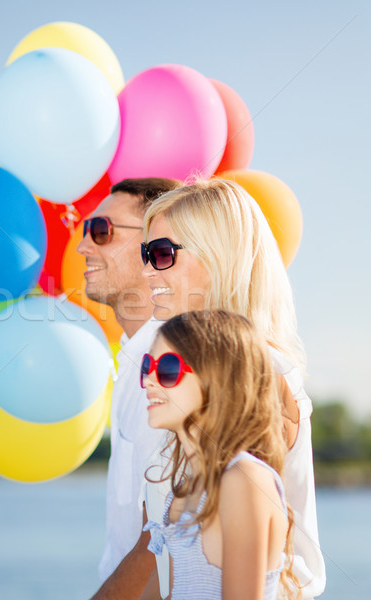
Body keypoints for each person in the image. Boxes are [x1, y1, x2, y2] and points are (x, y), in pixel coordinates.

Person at [139, 179, 324, 599]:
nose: (148, 270)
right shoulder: (191, 375)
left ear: (218, 257)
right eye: (146, 254)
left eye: (163, 253)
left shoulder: (263, 376)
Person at [141, 309, 299, 600]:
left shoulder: (244, 480)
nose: (149, 380)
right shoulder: (184, 493)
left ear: (218, 381)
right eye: (146, 365)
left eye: (167, 369)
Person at [77, 178, 183, 594]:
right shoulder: (133, 359)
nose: (85, 247)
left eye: (101, 231)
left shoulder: (169, 365)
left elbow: (162, 537)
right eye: (86, 231)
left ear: (154, 245)